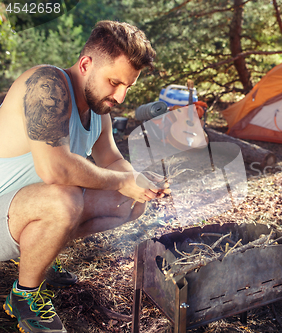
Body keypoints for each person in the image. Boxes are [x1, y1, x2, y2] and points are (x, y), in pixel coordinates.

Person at [0, 21, 164, 333]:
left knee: (129, 203)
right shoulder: (46, 84)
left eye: (128, 87)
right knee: (65, 197)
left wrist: (141, 183)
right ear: (86, 64)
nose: (121, 96)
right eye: (114, 82)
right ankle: (24, 296)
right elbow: (55, 169)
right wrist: (120, 181)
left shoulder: (98, 109)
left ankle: (40, 254)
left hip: (17, 213)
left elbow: (111, 159)